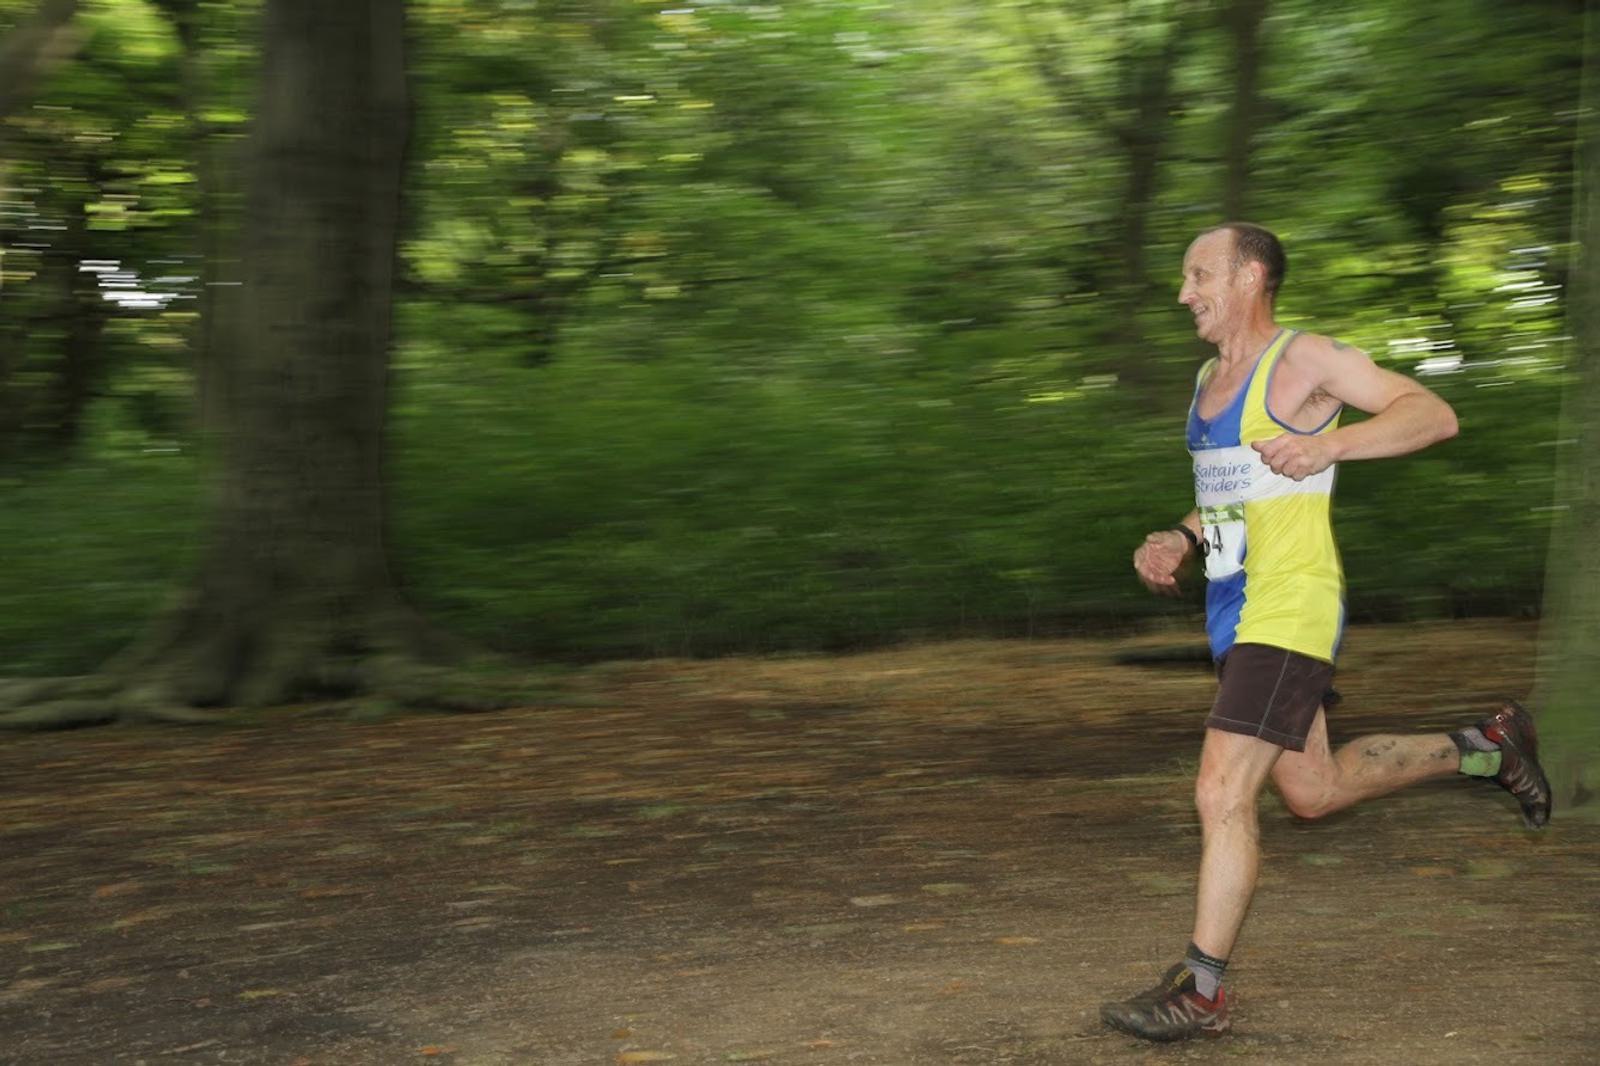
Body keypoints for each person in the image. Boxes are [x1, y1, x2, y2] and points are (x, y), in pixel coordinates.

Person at [1099, 222, 1553, 1043]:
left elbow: (1432, 412)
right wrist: (1182, 536)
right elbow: (1233, 491)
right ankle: (1488, 745)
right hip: (1234, 608)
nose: (1183, 293)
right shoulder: (1208, 378)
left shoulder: (1304, 359)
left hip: (1291, 602)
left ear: (1249, 276)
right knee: (1312, 792)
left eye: (1199, 274)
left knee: (1220, 790)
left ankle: (1200, 992)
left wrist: (1331, 442)